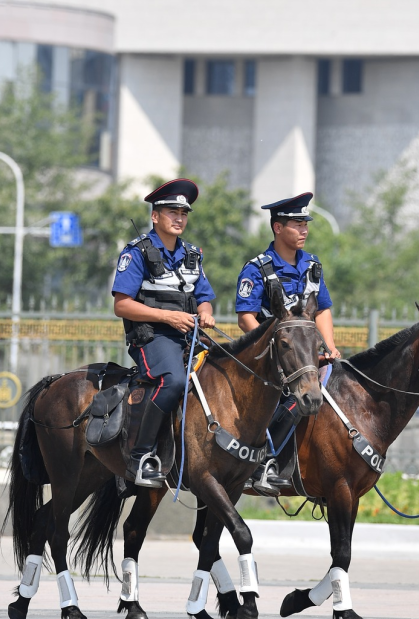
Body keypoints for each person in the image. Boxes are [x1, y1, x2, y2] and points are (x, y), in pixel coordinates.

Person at [112, 177, 216, 487]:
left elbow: (205, 296)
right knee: (174, 382)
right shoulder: (137, 253)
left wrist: (206, 313)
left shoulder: (193, 255)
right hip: (152, 338)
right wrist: (167, 317)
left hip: (188, 336)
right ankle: (140, 456)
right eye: (172, 212)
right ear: (155, 216)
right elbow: (122, 305)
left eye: (183, 214)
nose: (179, 218)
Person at [235, 191, 340, 493]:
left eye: (305, 224)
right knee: (294, 399)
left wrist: (329, 346)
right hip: (272, 358)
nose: (304, 230)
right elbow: (246, 317)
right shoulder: (257, 268)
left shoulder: (312, 265)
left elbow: (322, 309)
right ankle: (264, 463)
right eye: (296, 224)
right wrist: (271, 351)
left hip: (306, 355)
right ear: (278, 228)